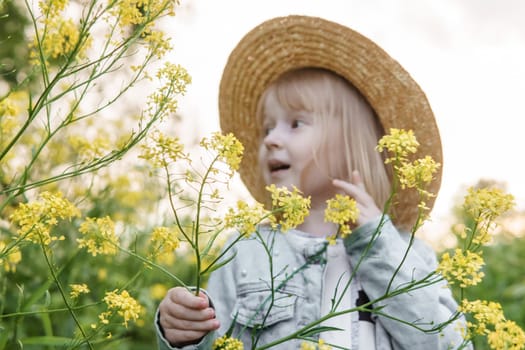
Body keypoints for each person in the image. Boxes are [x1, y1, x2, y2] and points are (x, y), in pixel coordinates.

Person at [156, 15, 469, 349]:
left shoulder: (408, 251)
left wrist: (376, 244)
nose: (271, 140)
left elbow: (448, 342)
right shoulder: (244, 250)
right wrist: (183, 331)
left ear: (351, 145)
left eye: (295, 123)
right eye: (266, 128)